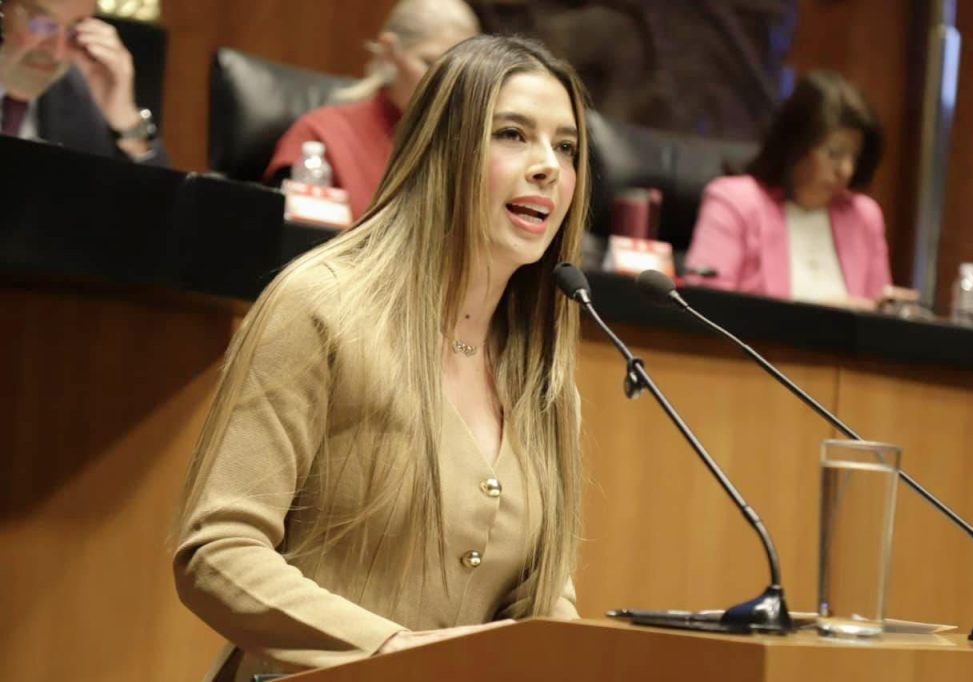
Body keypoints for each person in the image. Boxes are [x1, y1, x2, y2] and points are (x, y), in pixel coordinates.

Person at [175, 35, 590, 682]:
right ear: (443, 150)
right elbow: (218, 552)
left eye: (566, 148)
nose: (548, 167)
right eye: (512, 134)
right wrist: (396, 652)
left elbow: (543, 600)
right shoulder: (321, 308)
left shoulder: (545, 378)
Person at [685, 69, 891, 307]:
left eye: (854, 156)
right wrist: (823, 315)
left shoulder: (864, 216)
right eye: (834, 153)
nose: (846, 170)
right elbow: (704, 308)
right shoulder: (735, 201)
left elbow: (878, 313)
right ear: (795, 146)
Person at [263, 0, 479, 220]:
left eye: (460, 74)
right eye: (429, 64)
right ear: (389, 51)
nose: (447, 85)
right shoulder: (320, 137)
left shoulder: (471, 148)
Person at [0, 0, 168, 164]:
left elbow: (155, 182)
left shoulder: (78, 96)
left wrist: (125, 120)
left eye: (74, 31)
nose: (57, 53)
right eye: (43, 25)